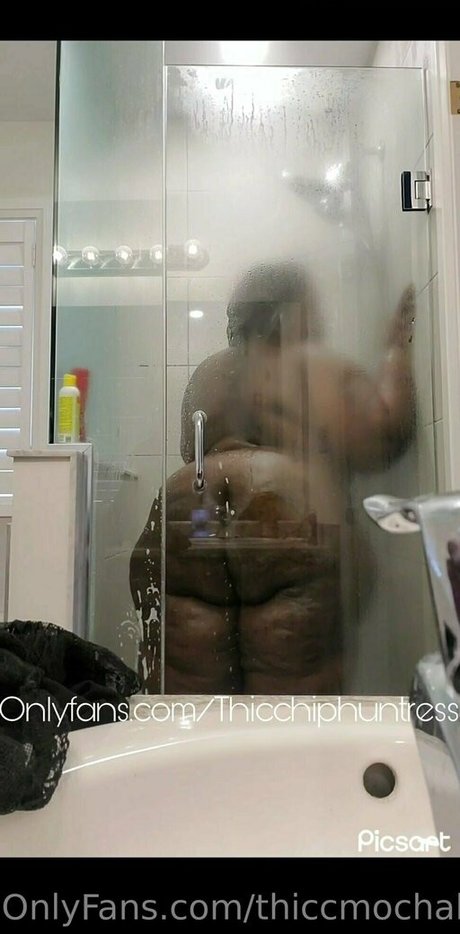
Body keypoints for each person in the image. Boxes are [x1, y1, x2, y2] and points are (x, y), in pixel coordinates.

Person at [130, 262, 416, 693]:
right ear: (294, 314)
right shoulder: (316, 369)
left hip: (189, 507)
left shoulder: (206, 374)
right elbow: (383, 439)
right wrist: (397, 352)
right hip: (281, 509)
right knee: (290, 697)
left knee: (187, 687)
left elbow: (191, 452)